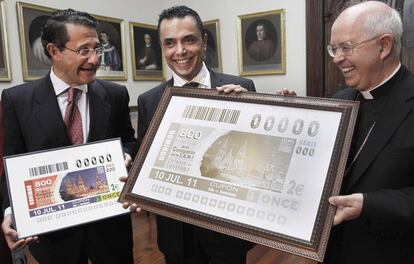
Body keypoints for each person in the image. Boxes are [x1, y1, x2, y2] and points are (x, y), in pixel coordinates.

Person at [0, 9, 137, 264]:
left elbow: (128, 141)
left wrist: (125, 156)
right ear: (54, 51)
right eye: (84, 50)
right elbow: (12, 164)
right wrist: (11, 212)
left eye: (97, 49)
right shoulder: (17, 101)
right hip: (54, 236)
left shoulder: (115, 94)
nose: (95, 59)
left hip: (109, 229)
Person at [127, 5, 256, 264]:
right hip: (176, 232)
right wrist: (135, 187)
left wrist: (247, 110)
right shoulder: (149, 101)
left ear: (204, 41)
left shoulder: (241, 88)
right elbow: (147, 159)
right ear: (162, 48)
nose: (180, 51)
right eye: (170, 43)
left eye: (189, 40)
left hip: (226, 228)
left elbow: (252, 155)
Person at [323, 1, 414, 263]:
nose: (337, 58)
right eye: (334, 48)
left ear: (384, 46)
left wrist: (369, 204)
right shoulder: (340, 99)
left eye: (346, 47)